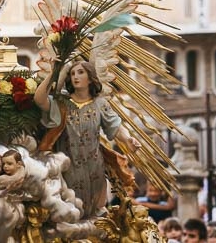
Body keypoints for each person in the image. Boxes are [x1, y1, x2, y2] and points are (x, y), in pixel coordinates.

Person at [34, 61, 141, 218]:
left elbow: (115, 126)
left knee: (94, 211)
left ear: (90, 78)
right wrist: (54, 72)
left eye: (80, 72)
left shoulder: (100, 104)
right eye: (72, 73)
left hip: (94, 166)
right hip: (68, 165)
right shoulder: (62, 103)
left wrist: (128, 139)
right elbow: (39, 99)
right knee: (71, 209)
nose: (75, 76)